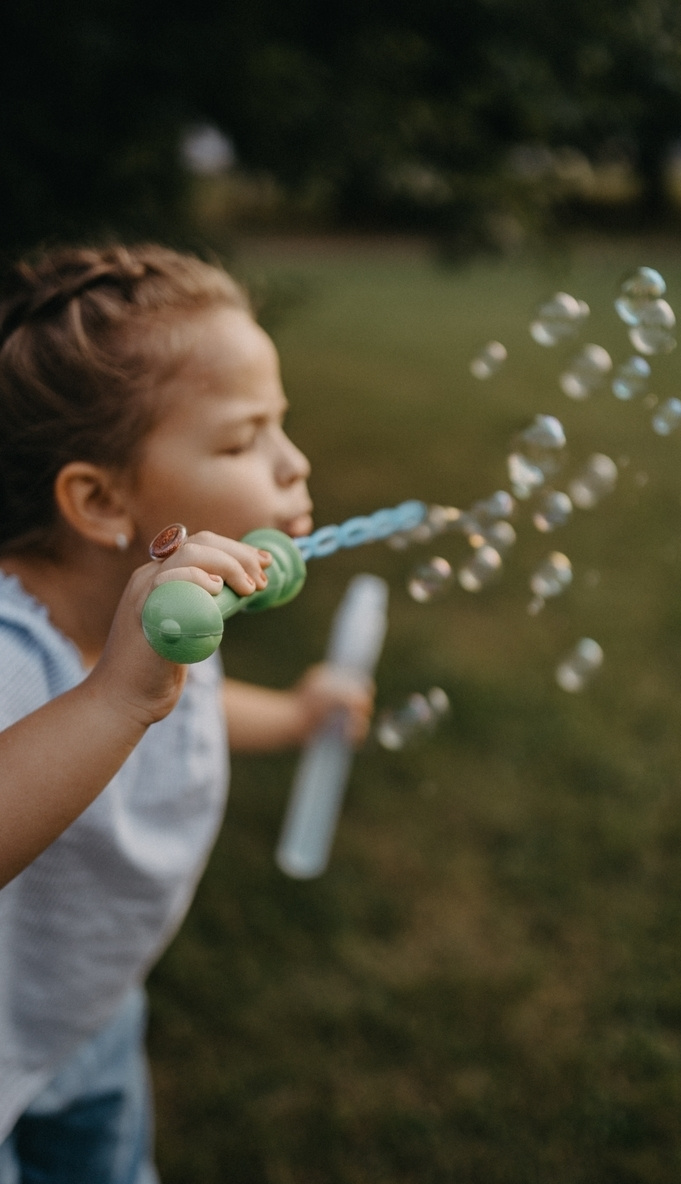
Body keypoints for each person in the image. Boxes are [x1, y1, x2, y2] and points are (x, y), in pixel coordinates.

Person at [0, 244, 374, 1181]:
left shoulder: (165, 624)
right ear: (100, 499)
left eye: (281, 424)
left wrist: (290, 716)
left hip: (84, 1011)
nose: (295, 462)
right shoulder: (15, 655)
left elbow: (185, 709)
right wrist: (114, 698)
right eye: (244, 440)